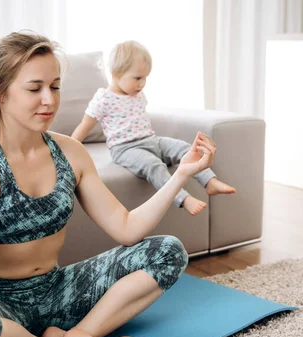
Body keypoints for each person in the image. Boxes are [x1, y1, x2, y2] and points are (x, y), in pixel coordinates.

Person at [0, 32, 219, 337]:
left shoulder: (70, 152)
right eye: (34, 88)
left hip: (59, 290)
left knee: (168, 252)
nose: (49, 100)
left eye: (55, 87)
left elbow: (126, 228)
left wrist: (180, 174)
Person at [71, 40, 235, 216]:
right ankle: (183, 198)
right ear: (117, 73)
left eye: (145, 78)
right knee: (153, 165)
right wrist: (69, 148)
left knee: (184, 148)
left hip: (152, 141)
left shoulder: (137, 93)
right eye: (138, 78)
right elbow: (84, 125)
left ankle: (209, 181)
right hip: (126, 149)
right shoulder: (103, 99)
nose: (142, 84)